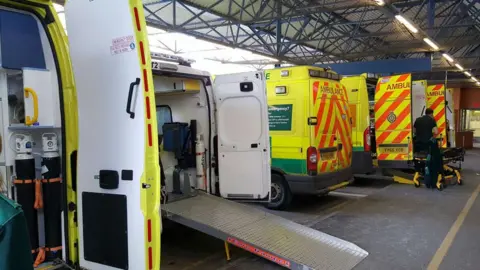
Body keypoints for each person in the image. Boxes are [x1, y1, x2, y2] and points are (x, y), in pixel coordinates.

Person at [413, 108, 442, 189]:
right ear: (431, 114)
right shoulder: (432, 120)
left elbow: (414, 131)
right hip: (428, 146)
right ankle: (438, 172)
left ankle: (418, 171)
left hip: (418, 145)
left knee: (418, 158)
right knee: (437, 154)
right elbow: (436, 132)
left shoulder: (418, 120)